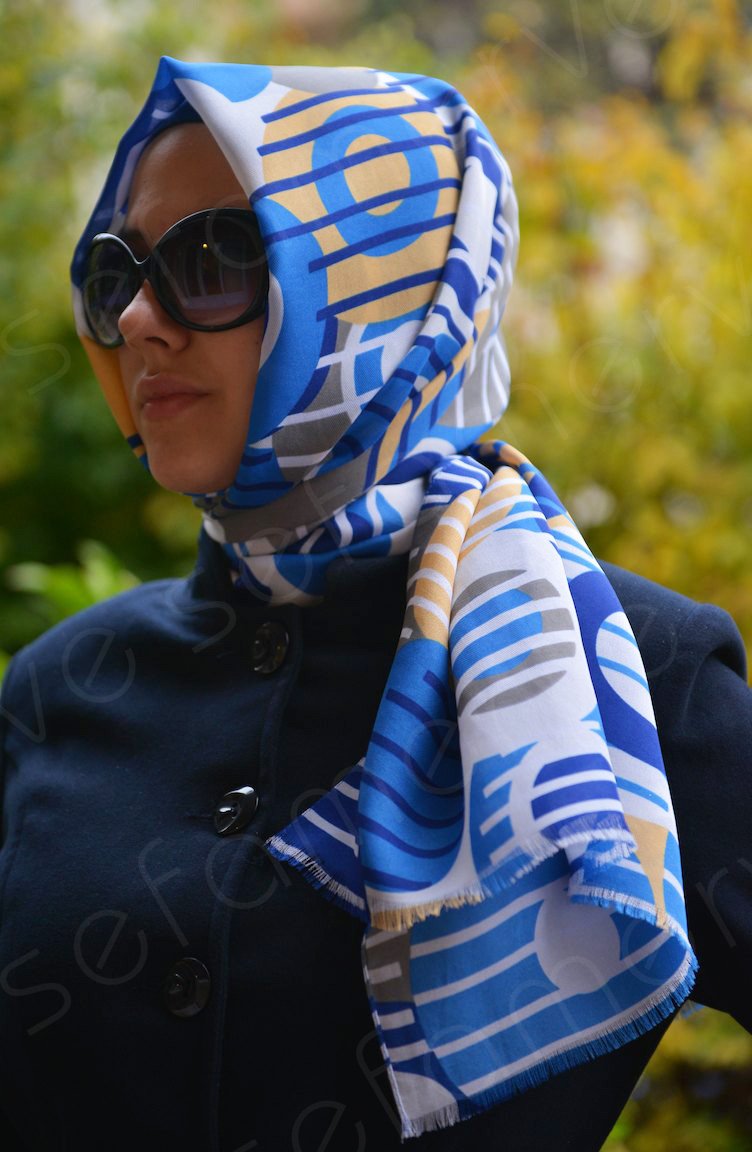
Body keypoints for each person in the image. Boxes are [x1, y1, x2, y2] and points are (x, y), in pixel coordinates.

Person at [0, 58, 751, 1152]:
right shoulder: (56, 689)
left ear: (384, 292)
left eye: (214, 259)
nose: (142, 318)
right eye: (116, 273)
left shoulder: (623, 671)